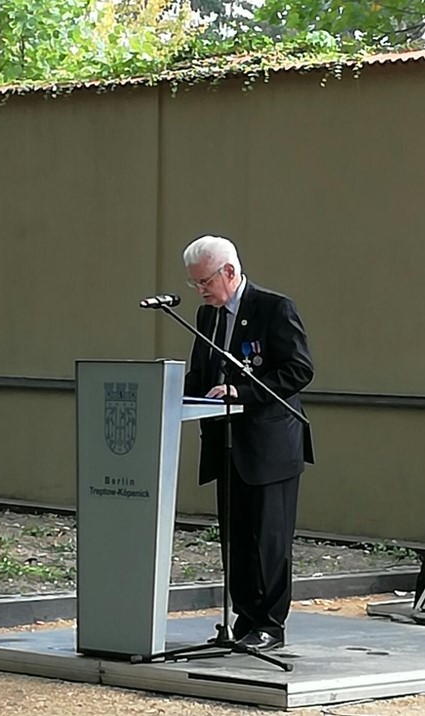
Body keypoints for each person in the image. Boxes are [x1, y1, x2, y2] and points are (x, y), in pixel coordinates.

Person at [183, 234, 314, 652]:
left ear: (229, 272)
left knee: (268, 539)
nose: (201, 291)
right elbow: (200, 374)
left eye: (205, 281)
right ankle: (245, 618)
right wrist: (166, 390)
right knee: (236, 538)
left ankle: (270, 624)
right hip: (226, 445)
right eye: (195, 284)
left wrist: (242, 392)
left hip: (269, 445)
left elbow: (298, 369)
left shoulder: (274, 308)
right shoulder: (208, 316)